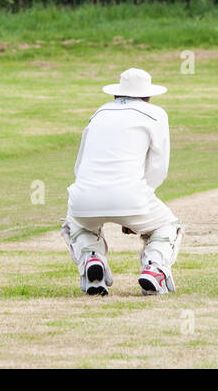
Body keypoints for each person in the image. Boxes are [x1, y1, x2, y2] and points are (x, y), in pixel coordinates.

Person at [60, 68, 181, 296]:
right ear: (148, 95)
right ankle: (154, 268)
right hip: (132, 197)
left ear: (116, 93)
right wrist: (138, 205)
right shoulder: (156, 114)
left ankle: (90, 259)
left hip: (84, 196)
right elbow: (158, 168)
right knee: (168, 225)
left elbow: (80, 164)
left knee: (77, 222)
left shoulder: (99, 113)